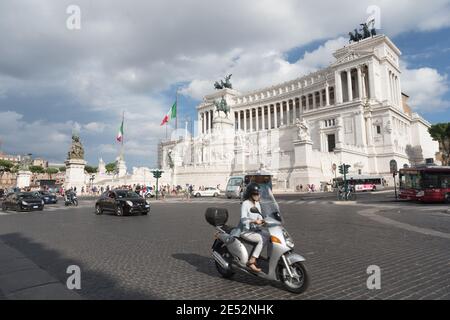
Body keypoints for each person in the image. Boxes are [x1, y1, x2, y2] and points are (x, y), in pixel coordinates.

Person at [238, 183, 269, 273]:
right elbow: (243, 219)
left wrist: (264, 221)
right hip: (246, 231)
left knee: (270, 236)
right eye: (256, 194)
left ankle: (270, 258)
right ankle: (252, 261)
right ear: (250, 194)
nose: (258, 196)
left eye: (258, 194)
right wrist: (254, 221)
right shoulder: (245, 204)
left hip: (256, 230)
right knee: (262, 239)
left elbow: (259, 216)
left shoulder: (257, 203)